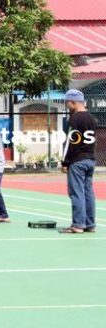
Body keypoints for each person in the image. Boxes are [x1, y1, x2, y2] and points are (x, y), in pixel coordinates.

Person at [60, 89, 97, 234]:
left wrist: (65, 162)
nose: (66, 105)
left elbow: (70, 142)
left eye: (67, 103)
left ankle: (78, 224)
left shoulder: (75, 119)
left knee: (76, 192)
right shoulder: (91, 118)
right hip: (90, 158)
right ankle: (90, 223)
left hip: (77, 160)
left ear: (73, 102)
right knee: (88, 192)